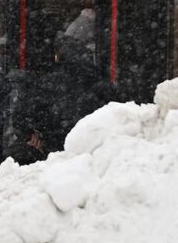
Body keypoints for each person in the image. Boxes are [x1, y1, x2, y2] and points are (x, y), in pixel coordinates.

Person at [18, 22, 111, 161]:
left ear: (59, 57)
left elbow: (21, 114)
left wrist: (30, 134)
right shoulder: (99, 83)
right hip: (91, 153)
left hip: (54, 150)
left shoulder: (48, 83)